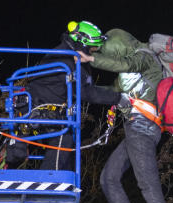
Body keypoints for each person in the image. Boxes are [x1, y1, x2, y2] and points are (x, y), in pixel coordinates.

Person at [85, 28, 173, 203]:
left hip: (145, 126)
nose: (112, 58)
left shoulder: (144, 57)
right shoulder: (125, 76)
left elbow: (126, 65)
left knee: (146, 179)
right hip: (134, 128)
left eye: (112, 52)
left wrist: (92, 58)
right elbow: (110, 91)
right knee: (109, 177)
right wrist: (81, 90)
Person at [24, 21, 122, 171]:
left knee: (69, 149)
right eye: (93, 47)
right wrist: (118, 98)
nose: (95, 51)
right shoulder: (69, 60)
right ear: (83, 43)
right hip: (41, 107)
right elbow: (85, 92)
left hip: (42, 106)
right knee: (64, 139)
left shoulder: (68, 54)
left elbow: (86, 88)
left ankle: (62, 183)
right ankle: (49, 183)